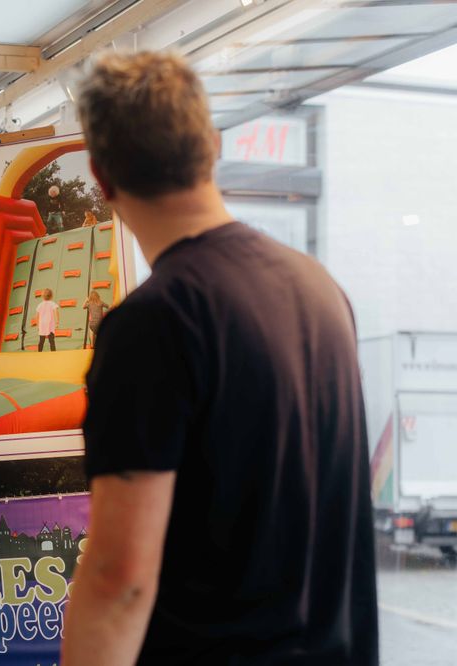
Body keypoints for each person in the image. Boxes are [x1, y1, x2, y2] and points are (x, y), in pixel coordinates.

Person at [60, 52, 377, 664]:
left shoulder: (153, 325)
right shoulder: (320, 290)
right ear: (211, 144)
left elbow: (119, 579)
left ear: (101, 178)